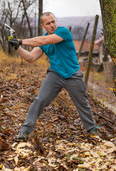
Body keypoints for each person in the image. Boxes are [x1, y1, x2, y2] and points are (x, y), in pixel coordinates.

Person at [8, 12, 98, 141]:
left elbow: (43, 40)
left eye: (53, 21)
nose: (52, 25)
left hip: (73, 74)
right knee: (39, 100)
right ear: (43, 26)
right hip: (55, 75)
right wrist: (17, 47)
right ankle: (24, 131)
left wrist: (20, 41)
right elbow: (30, 57)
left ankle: (92, 130)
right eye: (48, 23)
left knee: (82, 104)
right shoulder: (44, 41)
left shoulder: (63, 32)